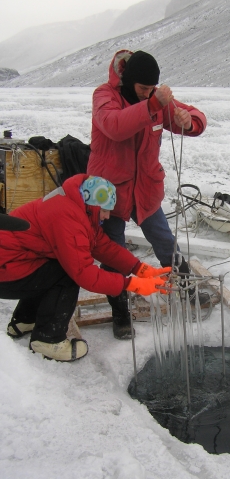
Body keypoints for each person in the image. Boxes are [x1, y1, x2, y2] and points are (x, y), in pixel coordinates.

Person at [87, 49, 208, 339]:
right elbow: (115, 126)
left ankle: (186, 289)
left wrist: (187, 120)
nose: (147, 94)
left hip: (145, 188)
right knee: (113, 253)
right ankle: (120, 312)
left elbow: (195, 115)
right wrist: (154, 103)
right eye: (142, 89)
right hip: (109, 192)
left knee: (166, 242)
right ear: (128, 80)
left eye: (152, 89)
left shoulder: (152, 98)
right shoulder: (104, 96)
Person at [0, 174, 171, 362]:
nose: (107, 216)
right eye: (105, 211)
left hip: (16, 262)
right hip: (6, 271)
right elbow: (84, 274)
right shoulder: (67, 218)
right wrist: (131, 284)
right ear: (94, 204)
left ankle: (25, 320)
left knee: (51, 269)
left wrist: (139, 268)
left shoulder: (77, 207)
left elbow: (102, 246)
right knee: (66, 274)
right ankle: (48, 340)